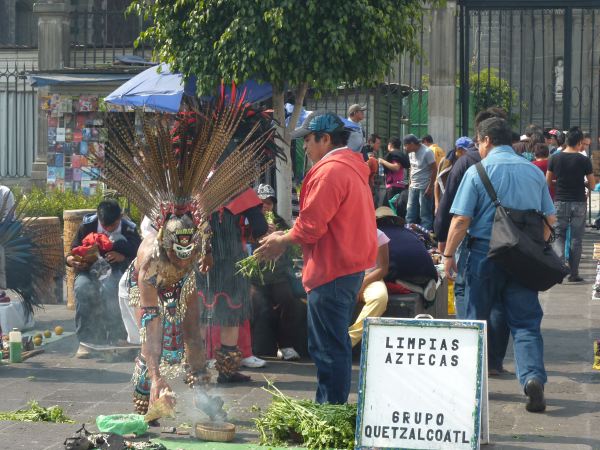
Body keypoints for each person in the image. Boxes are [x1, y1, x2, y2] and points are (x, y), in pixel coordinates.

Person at [256, 112, 377, 404]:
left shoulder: (330, 170)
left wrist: (281, 239)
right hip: (346, 267)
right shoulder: (350, 166)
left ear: (325, 139)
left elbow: (311, 226)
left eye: (308, 141)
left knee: (327, 348)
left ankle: (329, 409)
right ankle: (330, 405)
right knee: (333, 345)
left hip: (333, 270)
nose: (306, 148)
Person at [444, 116, 556, 413]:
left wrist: (448, 256)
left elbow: (461, 220)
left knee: (474, 322)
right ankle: (532, 378)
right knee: (526, 323)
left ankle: (469, 386)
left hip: (483, 255)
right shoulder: (533, 172)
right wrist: (534, 248)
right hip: (522, 258)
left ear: (487, 141)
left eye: (479, 142)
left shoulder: (478, 171)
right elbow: (550, 219)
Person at [66, 199, 141, 358]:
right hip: (88, 272)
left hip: (117, 271)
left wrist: (123, 258)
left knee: (111, 289)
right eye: (104, 225)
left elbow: (140, 257)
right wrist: (71, 260)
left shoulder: (129, 229)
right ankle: (86, 341)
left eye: (112, 226)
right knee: (81, 288)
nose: (107, 229)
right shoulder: (87, 225)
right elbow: (71, 251)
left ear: (120, 218)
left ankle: (118, 337)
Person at [249, 184, 302, 361]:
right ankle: (255, 348)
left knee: (288, 300)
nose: (265, 206)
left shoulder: (279, 222)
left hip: (278, 276)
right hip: (254, 278)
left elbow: (290, 246)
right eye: (261, 202)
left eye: (269, 203)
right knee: (257, 305)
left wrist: (278, 241)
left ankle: (286, 345)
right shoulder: (246, 221)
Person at [547, 126, 595, 283]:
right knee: (576, 238)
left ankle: (559, 268)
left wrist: (558, 182)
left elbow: (547, 181)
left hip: (560, 201)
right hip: (579, 202)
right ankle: (574, 273)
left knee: (559, 235)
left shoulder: (555, 157)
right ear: (580, 142)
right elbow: (593, 185)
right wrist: (584, 184)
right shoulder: (584, 160)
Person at [348, 225, 389, 347]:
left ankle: (349, 339)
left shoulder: (378, 235)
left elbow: (382, 268)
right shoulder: (341, 232)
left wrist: (361, 285)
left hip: (370, 278)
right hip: (344, 278)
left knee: (380, 297)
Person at [404, 134, 436, 230]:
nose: (404, 148)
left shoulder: (427, 152)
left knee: (425, 215)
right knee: (410, 213)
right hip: (413, 187)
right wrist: (410, 183)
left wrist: (430, 187)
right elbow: (412, 168)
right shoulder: (411, 153)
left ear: (412, 144)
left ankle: (426, 239)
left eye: (406, 145)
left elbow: (435, 169)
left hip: (424, 187)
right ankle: (409, 235)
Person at [434, 136, 473, 212]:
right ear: (459, 150)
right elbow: (437, 183)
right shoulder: (444, 162)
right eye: (468, 151)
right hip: (446, 199)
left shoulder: (468, 162)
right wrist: (437, 204)